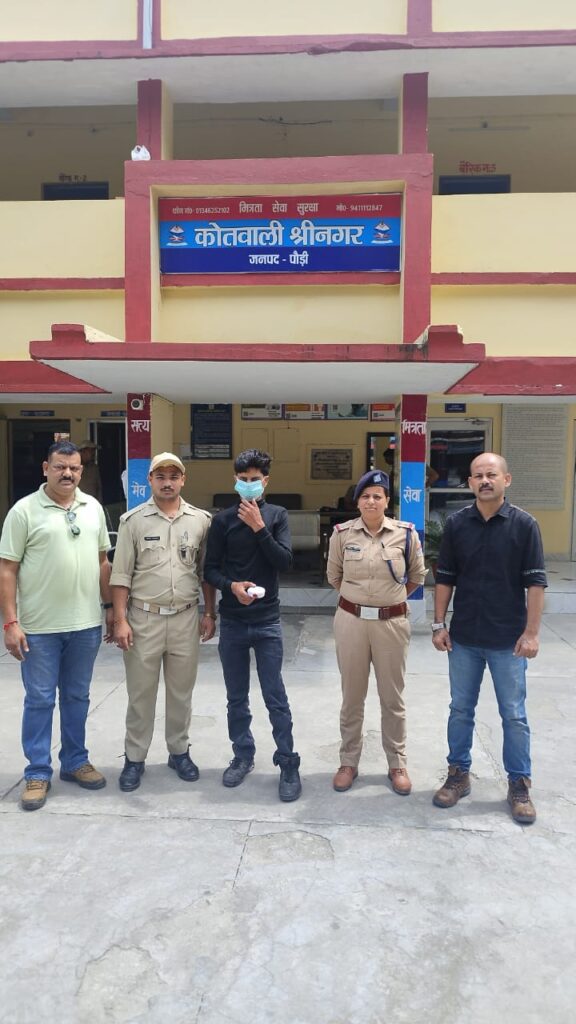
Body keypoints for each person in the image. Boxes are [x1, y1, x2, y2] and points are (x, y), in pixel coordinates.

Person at [431, 452, 547, 824]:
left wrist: (531, 633)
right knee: (460, 710)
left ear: (505, 480)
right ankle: (458, 774)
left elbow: (536, 583)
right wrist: (438, 624)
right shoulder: (457, 524)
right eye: (478, 475)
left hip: (507, 640)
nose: (484, 481)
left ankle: (519, 784)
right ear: (469, 483)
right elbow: (445, 577)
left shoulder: (524, 525)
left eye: (491, 474)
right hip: (464, 638)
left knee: (513, 715)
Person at [0, 440, 112, 811]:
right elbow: (7, 569)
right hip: (39, 629)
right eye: (60, 467)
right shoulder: (23, 511)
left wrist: (110, 608)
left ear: (81, 471)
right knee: (40, 700)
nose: (68, 474)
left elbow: (103, 562)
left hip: (85, 625)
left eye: (74, 468)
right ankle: (37, 772)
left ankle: (76, 761)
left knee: (78, 697)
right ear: (45, 468)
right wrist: (11, 622)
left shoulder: (92, 508)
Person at [110, 452, 216, 792]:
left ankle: (179, 752)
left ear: (183, 480)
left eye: (173, 476)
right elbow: (121, 575)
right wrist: (120, 620)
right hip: (144, 619)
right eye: (160, 476)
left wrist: (209, 613)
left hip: (185, 618)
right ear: (150, 480)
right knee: (140, 694)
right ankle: (134, 758)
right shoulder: (133, 522)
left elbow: (205, 573)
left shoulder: (201, 521)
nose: (167, 482)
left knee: (181, 693)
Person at [203, 448, 302, 802]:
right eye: (243, 479)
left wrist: (260, 528)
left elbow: (284, 561)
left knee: (275, 696)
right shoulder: (222, 520)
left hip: (267, 622)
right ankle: (243, 755)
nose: (248, 484)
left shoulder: (277, 516)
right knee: (236, 697)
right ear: (235, 480)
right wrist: (231, 586)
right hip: (233, 621)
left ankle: (287, 761)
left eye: (254, 480)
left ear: (266, 481)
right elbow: (210, 569)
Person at [326, 469, 426, 795]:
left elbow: (416, 577)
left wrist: (387, 601)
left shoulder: (406, 535)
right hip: (351, 622)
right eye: (365, 496)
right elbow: (334, 577)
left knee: (392, 698)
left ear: (387, 501)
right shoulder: (342, 535)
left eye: (377, 496)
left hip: (391, 625)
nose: (371, 501)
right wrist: (360, 602)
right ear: (357, 502)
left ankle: (397, 763)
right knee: (352, 697)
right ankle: (348, 762)